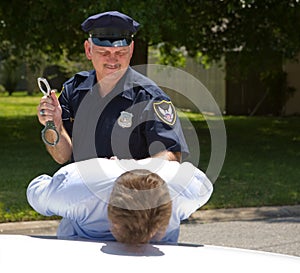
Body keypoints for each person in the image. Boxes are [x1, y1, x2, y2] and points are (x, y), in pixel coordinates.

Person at [37, 11, 189, 164]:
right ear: (88, 50)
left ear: (131, 50)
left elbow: (172, 155)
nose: (112, 59)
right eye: (104, 52)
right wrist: (54, 124)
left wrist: (131, 167)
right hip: (83, 185)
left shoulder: (150, 97)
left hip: (131, 186)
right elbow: (62, 157)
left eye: (120, 52)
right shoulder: (73, 90)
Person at [27, 158, 213, 244]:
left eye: (153, 233)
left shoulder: (184, 190)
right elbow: (36, 192)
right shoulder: (74, 190)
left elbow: (37, 193)